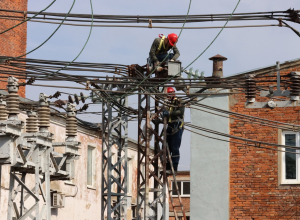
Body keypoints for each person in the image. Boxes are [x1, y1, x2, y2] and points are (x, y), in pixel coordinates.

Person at [162, 87, 185, 175]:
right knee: (166, 147)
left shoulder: (179, 101)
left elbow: (180, 112)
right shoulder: (168, 104)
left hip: (177, 126)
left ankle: (174, 168)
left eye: (169, 95)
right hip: (170, 126)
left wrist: (170, 113)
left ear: (172, 94)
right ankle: (167, 167)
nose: (168, 97)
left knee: (175, 148)